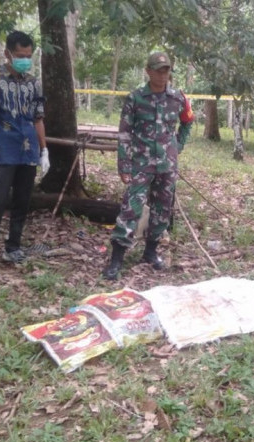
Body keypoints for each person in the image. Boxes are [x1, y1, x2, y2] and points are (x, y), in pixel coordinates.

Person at [102, 51, 194, 280]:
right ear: (148, 71)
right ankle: (116, 259)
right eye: (158, 70)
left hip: (167, 165)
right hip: (141, 164)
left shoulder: (178, 98)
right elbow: (124, 133)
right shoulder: (136, 98)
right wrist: (123, 165)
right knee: (131, 208)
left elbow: (188, 121)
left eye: (166, 70)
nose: (163, 75)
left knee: (163, 209)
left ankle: (151, 252)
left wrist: (177, 146)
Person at [0, 30, 49, 277]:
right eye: (19, 55)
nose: (24, 59)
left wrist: (44, 150)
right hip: (1, 150)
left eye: (28, 55)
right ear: (7, 53)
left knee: (23, 201)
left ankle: (13, 246)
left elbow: (38, 118)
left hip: (28, 152)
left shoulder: (34, 82)